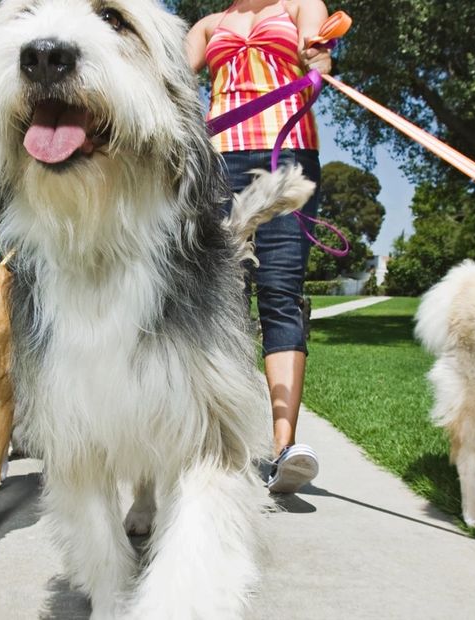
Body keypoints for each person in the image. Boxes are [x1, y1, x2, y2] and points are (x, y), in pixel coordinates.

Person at [186, 0, 333, 493]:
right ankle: (213, 439)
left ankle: (282, 448)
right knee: (219, 297)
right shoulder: (209, 26)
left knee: (279, 292)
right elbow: (170, 78)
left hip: (287, 153)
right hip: (216, 159)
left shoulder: (300, 5)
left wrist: (318, 59)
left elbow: (315, 44)